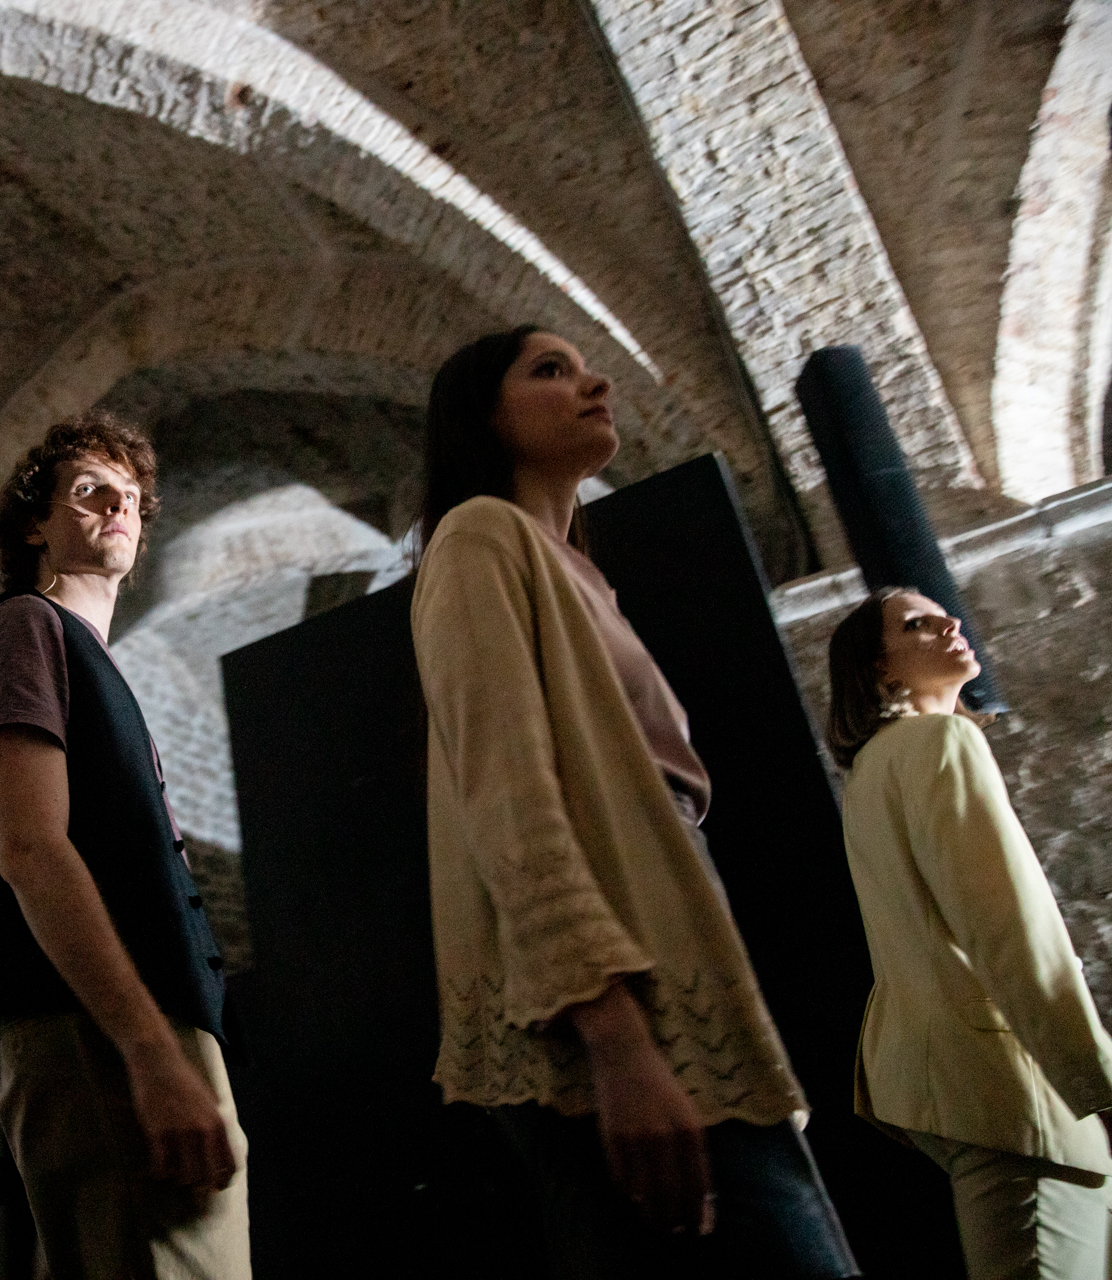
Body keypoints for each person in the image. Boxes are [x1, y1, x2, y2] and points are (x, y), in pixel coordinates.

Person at [409, 326, 858, 1278]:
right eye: (550, 370)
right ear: (483, 417)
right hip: (607, 991)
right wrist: (612, 1032)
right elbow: (507, 791)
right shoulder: (480, 535)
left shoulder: (579, 571)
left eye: (582, 364)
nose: (594, 379)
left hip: (660, 924)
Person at [0, 412, 248, 1279]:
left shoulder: (93, 660)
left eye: (130, 498)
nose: (118, 506)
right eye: (89, 491)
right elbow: (33, 852)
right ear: (35, 523)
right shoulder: (26, 628)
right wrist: (150, 1053)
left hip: (137, 1027)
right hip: (101, 1030)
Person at [828, 586, 1112, 1279]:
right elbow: (1007, 927)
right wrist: (1097, 1080)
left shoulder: (870, 772)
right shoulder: (940, 741)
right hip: (1013, 1088)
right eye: (917, 625)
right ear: (881, 672)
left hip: (944, 1084)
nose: (950, 623)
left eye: (942, 615)